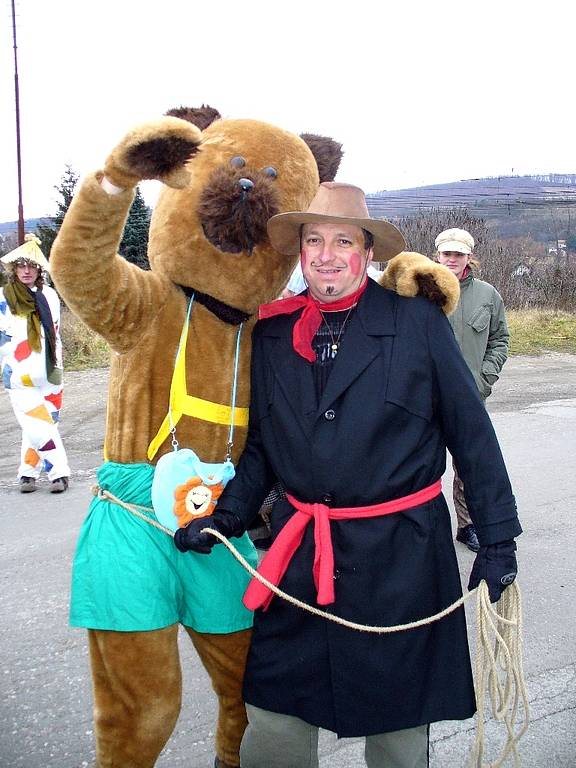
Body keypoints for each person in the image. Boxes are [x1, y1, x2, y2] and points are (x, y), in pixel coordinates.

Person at [174, 183, 521, 768]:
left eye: (343, 241)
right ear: (300, 251)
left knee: (399, 727)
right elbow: (262, 444)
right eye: (314, 241)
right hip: (300, 559)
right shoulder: (275, 333)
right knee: (276, 713)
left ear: (366, 253)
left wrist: (498, 537)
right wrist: (227, 515)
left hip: (402, 559)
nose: (327, 254)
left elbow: (472, 434)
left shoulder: (417, 324)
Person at [435, 228, 509, 553]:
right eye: (446, 253)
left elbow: (499, 340)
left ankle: (468, 526)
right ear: (437, 255)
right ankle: (419, 528)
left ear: (468, 257)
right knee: (418, 464)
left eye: (458, 254)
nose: (452, 259)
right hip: (426, 398)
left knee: (470, 467)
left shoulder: (488, 295)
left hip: (470, 399)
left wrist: (483, 379)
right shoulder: (421, 292)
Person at [0, 234, 70, 493]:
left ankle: (27, 473)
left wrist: (58, 367)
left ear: (39, 269)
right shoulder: (3, 299)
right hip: (20, 376)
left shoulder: (49, 295)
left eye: (31, 265)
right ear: (14, 269)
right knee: (39, 425)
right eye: (21, 266)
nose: (26, 271)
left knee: (40, 425)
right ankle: (59, 473)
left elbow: (55, 332)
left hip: (50, 373)